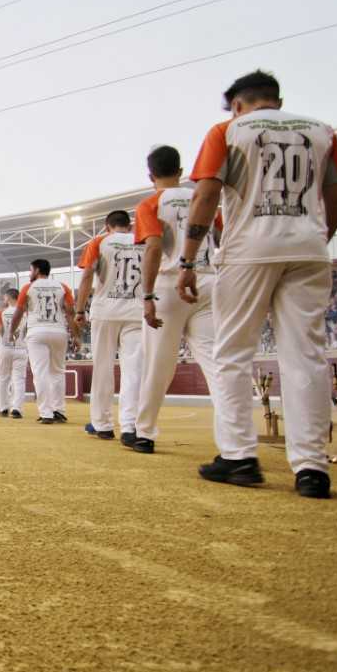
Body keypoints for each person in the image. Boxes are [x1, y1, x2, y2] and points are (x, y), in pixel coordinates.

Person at [178, 70, 337, 498]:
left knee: (233, 350)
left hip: (249, 248)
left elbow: (206, 195)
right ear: (277, 100)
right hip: (307, 246)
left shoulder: (227, 130)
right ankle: (311, 467)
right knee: (306, 355)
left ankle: (238, 457)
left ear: (236, 104)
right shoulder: (322, 131)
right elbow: (336, 195)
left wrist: (188, 260)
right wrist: (318, 238)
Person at [129, 146, 223, 455]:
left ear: (150, 175)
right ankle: (234, 440)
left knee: (158, 363)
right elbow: (221, 237)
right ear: (180, 171)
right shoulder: (203, 197)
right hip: (208, 280)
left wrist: (146, 296)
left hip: (170, 283)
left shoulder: (151, 204)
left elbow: (154, 249)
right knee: (215, 362)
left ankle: (144, 432)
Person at [75, 210, 143, 442]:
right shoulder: (142, 240)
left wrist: (79, 309)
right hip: (136, 310)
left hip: (105, 310)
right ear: (129, 226)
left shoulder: (99, 242)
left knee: (103, 368)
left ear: (107, 226)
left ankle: (102, 424)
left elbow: (86, 277)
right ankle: (130, 425)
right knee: (133, 370)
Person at [10, 259, 79, 424]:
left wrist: (11, 331)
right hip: (58, 331)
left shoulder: (28, 288)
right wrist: (77, 336)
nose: (29, 273)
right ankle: (59, 410)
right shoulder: (63, 287)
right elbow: (70, 313)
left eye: (30, 270)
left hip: (37, 331)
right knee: (58, 372)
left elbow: (18, 313)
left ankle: (46, 412)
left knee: (40, 373)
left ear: (37, 270)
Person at [0, 288, 27, 419]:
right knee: (19, 379)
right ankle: (16, 408)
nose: (4, 300)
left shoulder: (1, 313)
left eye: (5, 297)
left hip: (5, 348)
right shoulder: (25, 313)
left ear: (9, 297)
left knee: (3, 378)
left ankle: (3, 407)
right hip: (21, 348)